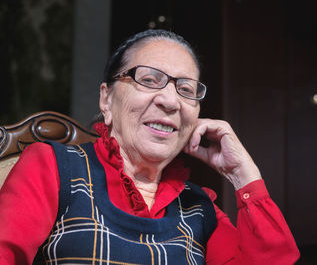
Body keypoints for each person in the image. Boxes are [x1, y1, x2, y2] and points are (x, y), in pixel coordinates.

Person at [0, 29, 299, 264]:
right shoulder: (54, 166)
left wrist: (243, 176)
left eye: (185, 89)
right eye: (148, 79)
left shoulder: (200, 209)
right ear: (106, 100)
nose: (170, 101)